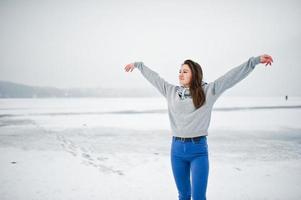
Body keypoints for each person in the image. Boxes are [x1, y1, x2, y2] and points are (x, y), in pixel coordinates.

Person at [124, 54, 273, 200]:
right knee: (183, 196)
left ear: (194, 74)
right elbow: (155, 78)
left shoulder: (208, 91)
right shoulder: (171, 92)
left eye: (185, 71)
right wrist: (138, 65)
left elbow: (230, 77)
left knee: (198, 197)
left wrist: (254, 62)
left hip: (198, 152)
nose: (180, 74)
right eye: (180, 71)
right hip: (176, 151)